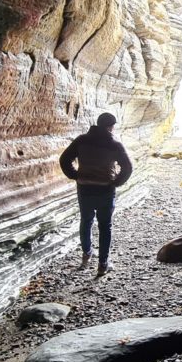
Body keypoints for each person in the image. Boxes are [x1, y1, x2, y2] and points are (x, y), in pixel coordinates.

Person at [59, 112, 133, 275]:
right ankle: (102, 264)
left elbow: (64, 159)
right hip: (105, 189)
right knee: (105, 226)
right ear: (110, 126)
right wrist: (116, 182)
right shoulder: (114, 144)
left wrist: (75, 175)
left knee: (86, 221)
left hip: (84, 188)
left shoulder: (81, 140)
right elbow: (127, 168)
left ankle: (86, 254)